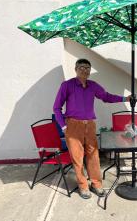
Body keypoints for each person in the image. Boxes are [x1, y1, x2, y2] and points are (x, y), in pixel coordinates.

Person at [53, 58, 131, 199]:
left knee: (93, 155)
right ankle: (83, 186)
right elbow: (56, 108)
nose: (85, 70)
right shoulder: (67, 85)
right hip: (73, 125)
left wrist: (125, 99)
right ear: (75, 69)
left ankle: (96, 184)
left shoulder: (93, 85)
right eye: (81, 67)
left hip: (90, 124)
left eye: (88, 68)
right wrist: (63, 126)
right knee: (77, 158)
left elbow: (106, 97)